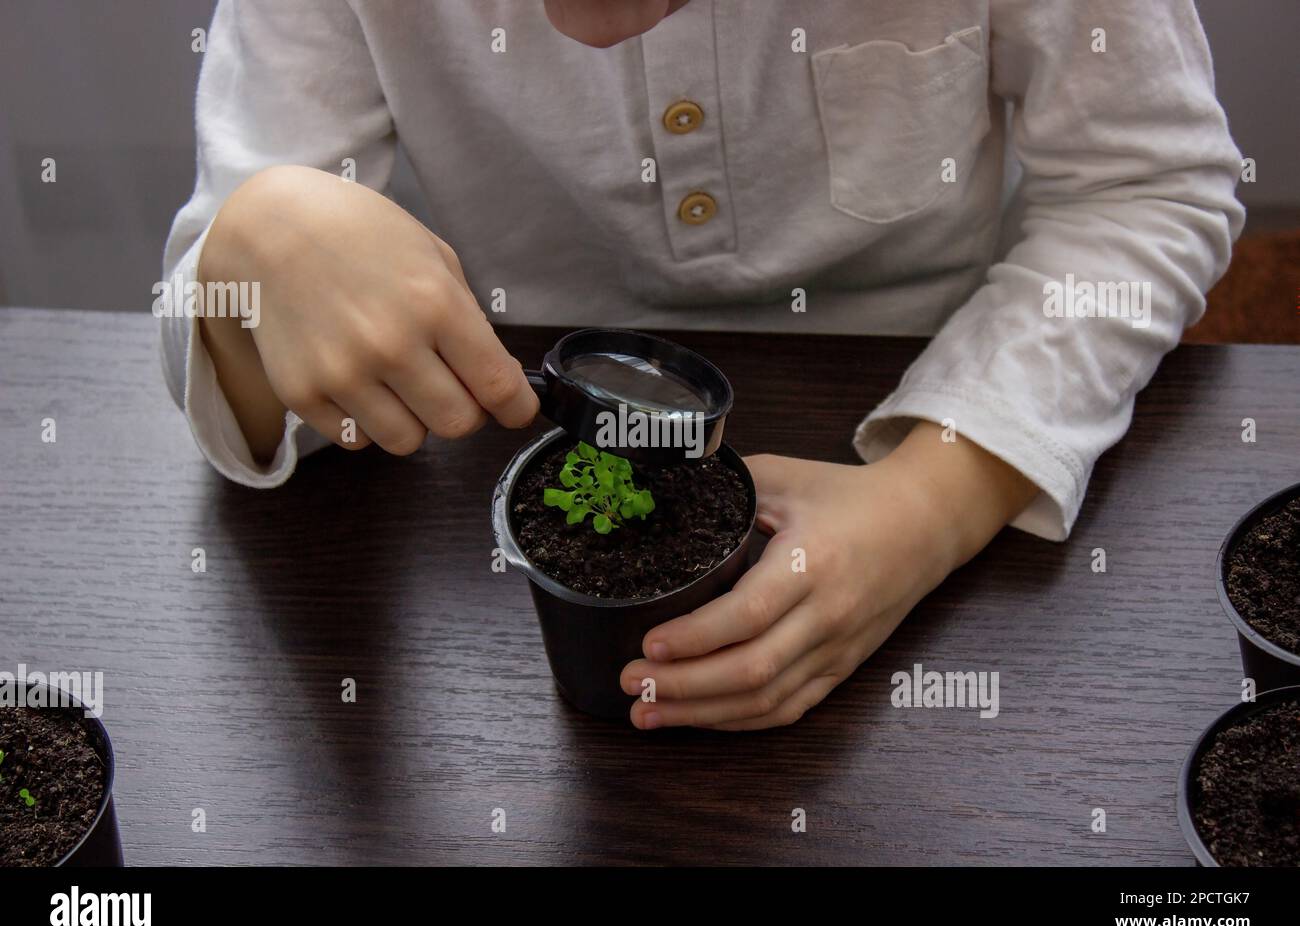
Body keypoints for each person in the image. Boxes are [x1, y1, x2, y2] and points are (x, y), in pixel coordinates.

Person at [162, 0, 1244, 730]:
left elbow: (1146, 188)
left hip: (936, 403)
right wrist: (255, 248)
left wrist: (937, 497)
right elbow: (232, 367)